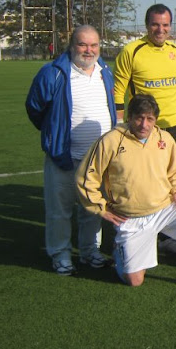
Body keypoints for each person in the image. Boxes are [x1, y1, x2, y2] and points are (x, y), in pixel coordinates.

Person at [76, 94, 176, 290]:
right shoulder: (111, 141)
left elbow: (175, 171)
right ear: (129, 117)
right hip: (131, 218)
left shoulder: (164, 139)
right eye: (139, 118)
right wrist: (101, 207)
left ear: (155, 120)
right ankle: (119, 252)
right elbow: (86, 178)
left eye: (150, 119)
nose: (144, 124)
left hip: (165, 208)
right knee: (134, 281)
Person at [26, 25, 116, 275]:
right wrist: (53, 133)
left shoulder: (104, 71)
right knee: (60, 211)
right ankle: (60, 254)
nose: (89, 50)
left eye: (94, 45)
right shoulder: (53, 73)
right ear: (71, 44)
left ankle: (89, 251)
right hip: (63, 157)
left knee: (93, 210)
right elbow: (35, 108)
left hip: (97, 161)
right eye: (83, 44)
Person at [113, 3, 176, 150]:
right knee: (143, 172)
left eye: (165, 25)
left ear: (170, 26)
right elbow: (118, 90)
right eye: (155, 24)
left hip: (173, 126)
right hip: (143, 125)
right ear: (147, 25)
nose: (160, 30)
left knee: (172, 172)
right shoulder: (131, 51)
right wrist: (119, 123)